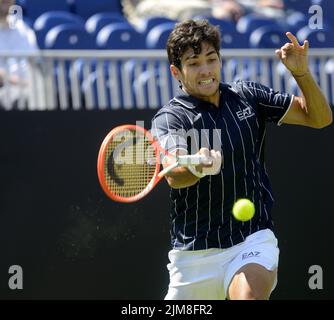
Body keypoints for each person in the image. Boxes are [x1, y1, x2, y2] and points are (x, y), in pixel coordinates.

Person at [150, 19, 332, 300]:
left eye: (211, 59)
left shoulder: (248, 96)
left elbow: (319, 118)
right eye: (194, 63)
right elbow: (174, 175)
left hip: (251, 239)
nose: (206, 70)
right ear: (177, 71)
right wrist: (197, 166)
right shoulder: (169, 119)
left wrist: (302, 74)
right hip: (193, 256)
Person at [0, 0, 40, 110]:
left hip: (30, 86)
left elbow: (36, 61)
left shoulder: (22, 27)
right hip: (6, 88)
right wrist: (19, 82)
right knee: (24, 99)